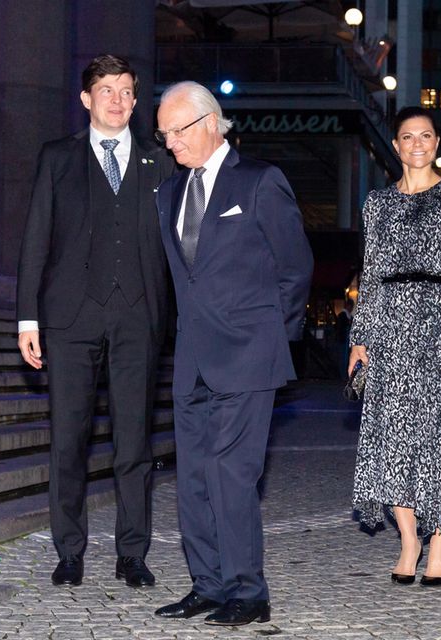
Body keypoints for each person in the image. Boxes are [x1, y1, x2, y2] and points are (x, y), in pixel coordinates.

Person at [151, 81, 313, 626]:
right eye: (164, 133)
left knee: (231, 471)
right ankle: (209, 584)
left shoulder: (260, 181)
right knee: (193, 474)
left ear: (209, 123)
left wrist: (271, 336)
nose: (169, 143)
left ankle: (249, 590)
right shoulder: (168, 194)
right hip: (192, 358)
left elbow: (296, 268)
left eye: (176, 131)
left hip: (249, 353)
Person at [17, 54, 174, 589]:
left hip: (137, 315)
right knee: (69, 440)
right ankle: (70, 551)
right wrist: (26, 319)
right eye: (105, 89)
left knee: (134, 442)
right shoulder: (57, 158)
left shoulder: (160, 162)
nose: (116, 99)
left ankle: (133, 553)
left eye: (126, 90)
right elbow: (36, 238)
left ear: (135, 100)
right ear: (86, 99)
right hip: (68, 317)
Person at [349, 106, 441, 588]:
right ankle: (409, 540)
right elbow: (371, 270)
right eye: (408, 136)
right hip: (388, 327)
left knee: (438, 438)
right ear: (397, 146)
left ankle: (440, 537)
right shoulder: (377, 203)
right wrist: (359, 338)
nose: (418, 143)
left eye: (426, 135)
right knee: (392, 437)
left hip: (439, 323)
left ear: (437, 143)